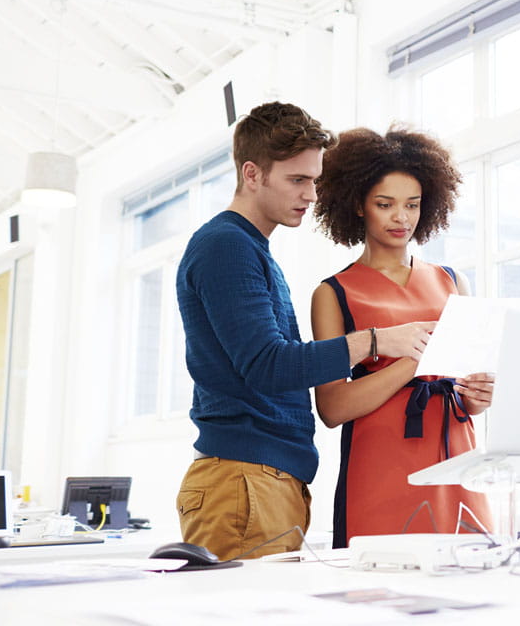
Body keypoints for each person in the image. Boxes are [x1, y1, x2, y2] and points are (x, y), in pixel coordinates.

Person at [174, 102, 435, 561]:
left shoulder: (250, 249)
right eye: (298, 180)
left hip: (262, 480)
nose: (311, 195)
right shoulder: (227, 247)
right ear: (252, 174)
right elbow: (268, 365)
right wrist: (376, 341)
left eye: (314, 180)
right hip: (245, 480)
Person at [310, 126, 495, 547]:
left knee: (469, 581)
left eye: (412, 205)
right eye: (385, 204)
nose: (402, 218)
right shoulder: (333, 293)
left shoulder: (453, 280)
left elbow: (466, 389)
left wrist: (477, 397)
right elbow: (333, 407)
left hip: (457, 456)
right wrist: (417, 361)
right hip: (381, 465)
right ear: (358, 205)